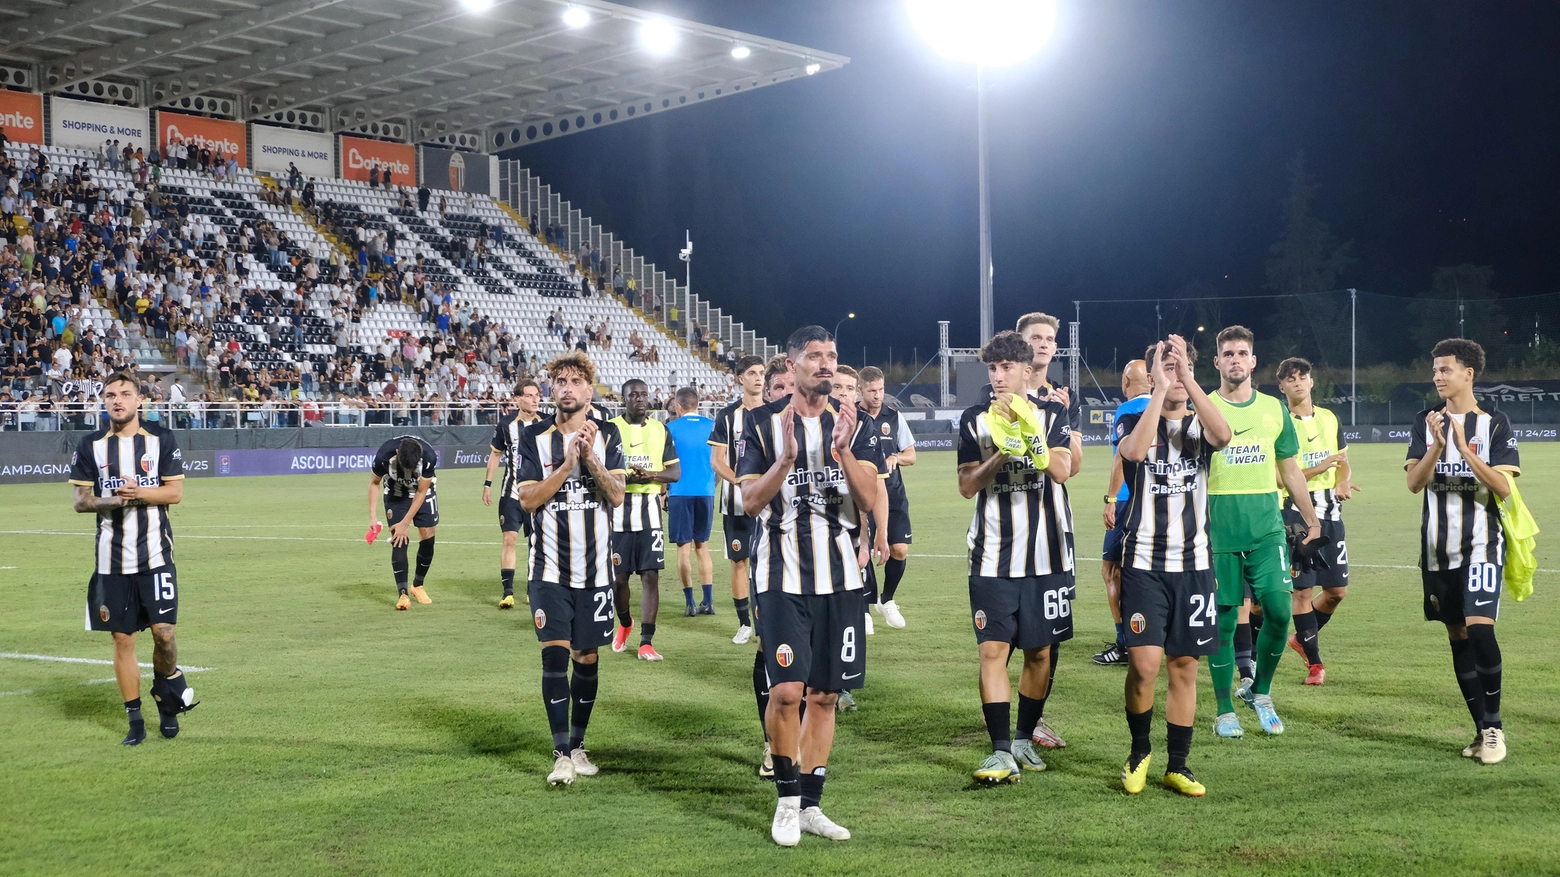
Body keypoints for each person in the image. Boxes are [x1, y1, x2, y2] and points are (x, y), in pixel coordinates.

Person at [738, 325, 883, 845]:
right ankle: (786, 800)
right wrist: (786, 461)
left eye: (832, 356)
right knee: (786, 692)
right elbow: (750, 501)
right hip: (781, 576)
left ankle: (811, 806)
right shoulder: (758, 424)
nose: (826, 364)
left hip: (841, 577)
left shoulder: (855, 423)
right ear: (793, 364)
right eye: (815, 356)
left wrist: (843, 452)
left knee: (823, 696)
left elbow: (866, 500)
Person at [956, 332, 1075, 784]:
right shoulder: (973, 419)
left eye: (1006, 367)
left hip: (1048, 555)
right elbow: (967, 485)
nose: (998, 375)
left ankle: (1025, 736)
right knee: (992, 650)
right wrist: (1000, 455)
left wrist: (1028, 437)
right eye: (993, 368)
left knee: (1040, 652)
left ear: (1028, 371)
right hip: (992, 557)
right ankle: (1001, 750)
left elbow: (1062, 470)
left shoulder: (1054, 413)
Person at [1115, 338, 1231, 797]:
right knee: (1144, 666)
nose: (1171, 370)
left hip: (1195, 564)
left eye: (1179, 364)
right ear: (1149, 374)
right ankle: (1139, 751)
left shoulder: (1201, 422)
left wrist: (1186, 378)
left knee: (1184, 666)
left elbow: (1223, 436)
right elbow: (1136, 453)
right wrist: (1160, 391)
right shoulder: (1133, 416)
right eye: (1162, 365)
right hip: (1144, 562)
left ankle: (1177, 765)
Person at [1205, 325, 1325, 738]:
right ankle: (1224, 710)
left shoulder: (1274, 409)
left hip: (1267, 529)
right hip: (1218, 530)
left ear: (1253, 362)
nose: (1236, 359)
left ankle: (1261, 692)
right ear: (1217, 361)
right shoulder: (1203, 407)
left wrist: (1311, 519)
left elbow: (1289, 469)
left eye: (1243, 353)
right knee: (1223, 621)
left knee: (1277, 611)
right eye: (1228, 353)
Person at [68, 372, 196, 745]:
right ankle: (135, 721)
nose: (117, 400)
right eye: (110, 395)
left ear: (140, 399)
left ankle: (165, 694)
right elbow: (79, 501)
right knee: (123, 641)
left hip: (156, 555)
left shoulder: (161, 439)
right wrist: (113, 501)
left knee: (165, 635)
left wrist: (137, 493)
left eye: (125, 394)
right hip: (111, 563)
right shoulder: (91, 444)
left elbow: (174, 494)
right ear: (103, 401)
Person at [1405, 338, 1518, 764]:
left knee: (1480, 628)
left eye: (1445, 369)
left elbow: (1505, 488)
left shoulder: (1494, 424)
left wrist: (1467, 452)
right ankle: (1479, 730)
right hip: (1437, 550)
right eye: (1435, 369)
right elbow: (1415, 483)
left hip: (1483, 546)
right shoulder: (1424, 421)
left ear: (1468, 373)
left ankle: (1494, 730)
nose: (1437, 376)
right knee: (1457, 635)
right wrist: (1437, 445)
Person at [516, 351, 626, 785]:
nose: (567, 387)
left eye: (576, 380)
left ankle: (579, 746)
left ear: (589, 389)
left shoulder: (610, 433)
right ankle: (561, 753)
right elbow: (526, 500)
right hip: (548, 570)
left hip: (596, 571)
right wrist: (566, 464)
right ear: (551, 389)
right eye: (559, 380)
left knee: (587, 656)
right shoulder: (534, 437)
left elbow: (617, 495)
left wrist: (590, 458)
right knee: (555, 655)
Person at [1013, 312, 1082, 749]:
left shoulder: (1059, 401)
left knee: (1048, 639)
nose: (1043, 344)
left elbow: (1071, 467)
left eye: (1049, 338)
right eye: (1035, 337)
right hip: (1007, 533)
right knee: (1001, 637)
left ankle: (1031, 721)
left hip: (1054, 531)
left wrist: (1065, 420)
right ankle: (999, 714)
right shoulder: (997, 392)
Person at [1275, 357, 1357, 685]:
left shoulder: (1329, 418)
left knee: (1337, 591)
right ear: (1281, 387)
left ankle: (1300, 638)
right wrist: (1321, 468)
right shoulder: (1281, 422)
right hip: (1295, 515)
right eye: (1290, 379)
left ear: (1311, 381)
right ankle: (1316, 664)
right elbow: (1283, 479)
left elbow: (1343, 461)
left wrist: (1343, 480)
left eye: (1302, 377)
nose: (1297, 382)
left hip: (1331, 514)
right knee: (1303, 591)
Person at [609, 379, 680, 661]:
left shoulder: (660, 430)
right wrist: (625, 476)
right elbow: (600, 468)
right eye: (633, 395)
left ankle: (646, 642)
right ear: (623, 399)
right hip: (618, 512)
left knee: (651, 576)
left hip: (649, 511)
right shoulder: (611, 428)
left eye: (644, 395)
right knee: (619, 581)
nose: (640, 399)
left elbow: (674, 473)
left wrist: (650, 475)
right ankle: (625, 623)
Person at [1095, 359, 1152, 666]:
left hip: (1128, 501)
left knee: (1112, 571)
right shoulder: (1163, 408)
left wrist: (1111, 497)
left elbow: (1121, 457)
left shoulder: (1128, 410)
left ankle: (1125, 642)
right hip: (1158, 503)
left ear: (1125, 381)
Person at [709, 355, 767, 646]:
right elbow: (717, 461)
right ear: (740, 379)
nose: (759, 378)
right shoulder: (727, 416)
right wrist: (740, 482)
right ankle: (744, 623)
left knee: (771, 561)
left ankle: (767, 620)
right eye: (753, 373)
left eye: (762, 373)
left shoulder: (775, 413)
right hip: (736, 502)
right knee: (739, 560)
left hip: (772, 501)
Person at [858, 366, 915, 629]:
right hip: (863, 496)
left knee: (899, 550)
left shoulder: (893, 417)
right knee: (864, 550)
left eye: (880, 390)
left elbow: (911, 455)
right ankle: (865, 609)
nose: (878, 395)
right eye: (872, 391)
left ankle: (887, 600)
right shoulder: (853, 418)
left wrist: (896, 457)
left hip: (893, 494)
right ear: (861, 390)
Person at [484, 379, 543, 609]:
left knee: (538, 542)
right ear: (518, 398)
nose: (535, 399)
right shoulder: (506, 424)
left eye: (537, 394)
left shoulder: (547, 423)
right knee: (510, 538)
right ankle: (508, 591)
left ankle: (532, 589)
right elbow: (496, 454)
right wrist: (487, 484)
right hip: (511, 492)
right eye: (529, 395)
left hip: (539, 494)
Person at [370, 435, 440, 610]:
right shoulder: (384, 455)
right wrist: (372, 516)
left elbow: (421, 492)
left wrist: (406, 522)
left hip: (422, 493)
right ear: (397, 453)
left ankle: (418, 585)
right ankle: (403, 594)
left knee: (428, 537)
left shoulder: (429, 456)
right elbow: (374, 483)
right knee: (399, 539)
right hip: (396, 493)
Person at [665, 387, 717, 617]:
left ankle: (690, 603)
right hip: (705, 491)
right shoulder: (712, 426)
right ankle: (709, 601)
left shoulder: (670, 428)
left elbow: (664, 463)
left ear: (678, 405)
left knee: (683, 549)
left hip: (680, 492)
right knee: (702, 547)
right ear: (698, 404)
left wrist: (663, 491)